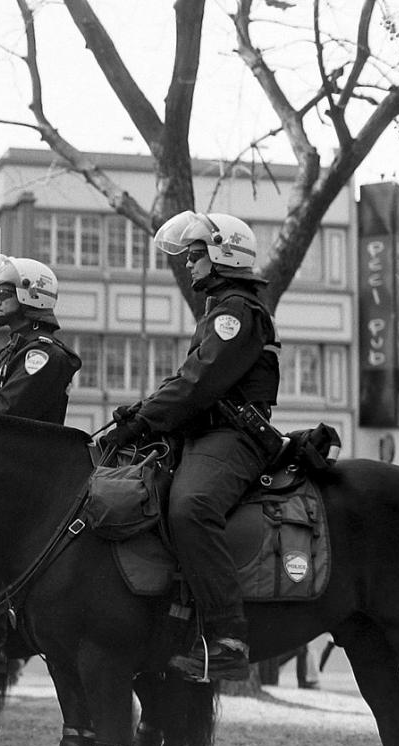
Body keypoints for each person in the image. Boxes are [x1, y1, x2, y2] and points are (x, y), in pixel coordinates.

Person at [104, 211, 281, 682]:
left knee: (191, 508)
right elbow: (187, 379)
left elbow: (199, 383)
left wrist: (144, 419)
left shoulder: (236, 311)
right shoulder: (219, 310)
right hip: (202, 434)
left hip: (233, 437)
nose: (189, 263)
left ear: (224, 255)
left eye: (197, 254)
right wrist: (141, 412)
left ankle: (228, 639)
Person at [0, 254, 81, 671]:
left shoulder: (44, 355)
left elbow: (6, 410)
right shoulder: (2, 355)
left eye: (4, 293)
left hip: (31, 468)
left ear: (30, 296)